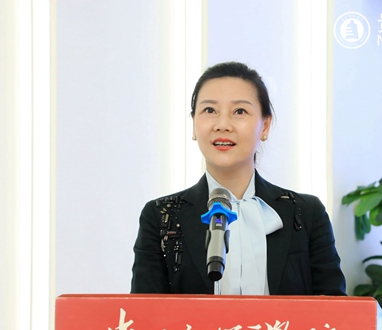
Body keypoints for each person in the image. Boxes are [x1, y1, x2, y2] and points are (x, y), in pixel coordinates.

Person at [131, 61, 346, 296]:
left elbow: (335, 310)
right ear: (193, 124)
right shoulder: (161, 217)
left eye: (240, 111)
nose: (223, 125)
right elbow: (144, 312)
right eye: (210, 110)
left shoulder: (306, 214)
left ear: (265, 126)